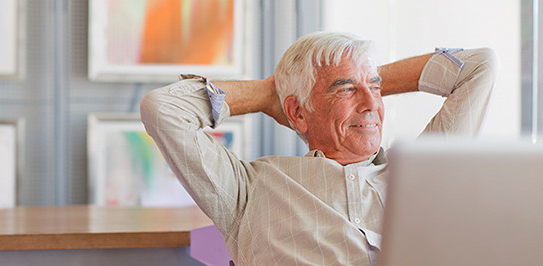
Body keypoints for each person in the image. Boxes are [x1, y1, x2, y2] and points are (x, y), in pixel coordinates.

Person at [140, 31, 498, 265]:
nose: (372, 104)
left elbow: (479, 67)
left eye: (376, 88)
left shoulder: (419, 176)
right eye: (345, 90)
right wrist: (269, 94)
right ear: (297, 112)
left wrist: (360, 76)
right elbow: (164, 109)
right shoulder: (251, 190)